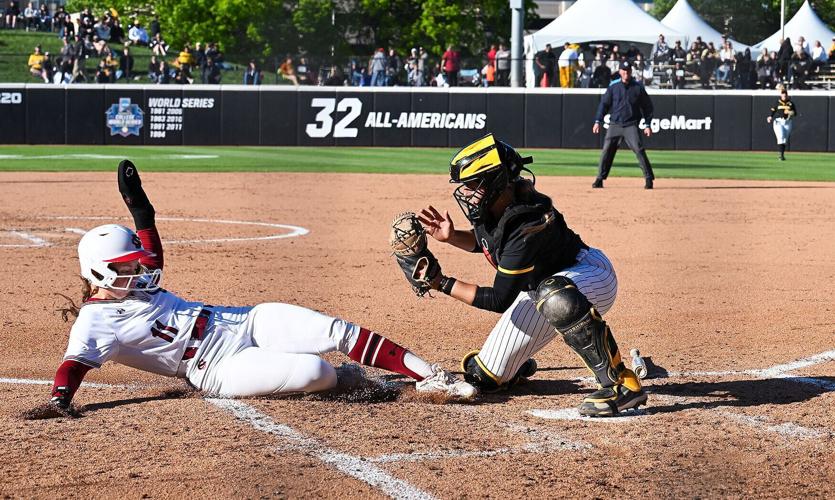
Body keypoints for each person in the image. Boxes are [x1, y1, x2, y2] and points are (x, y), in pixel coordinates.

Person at [44, 161, 476, 416]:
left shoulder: (133, 283)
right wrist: (60, 399)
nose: (141, 269)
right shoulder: (95, 321)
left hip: (240, 319)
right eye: (127, 266)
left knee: (336, 330)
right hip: (215, 368)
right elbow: (73, 366)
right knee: (317, 371)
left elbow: (149, 242)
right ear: (98, 273)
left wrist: (138, 205)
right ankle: (345, 379)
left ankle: (433, 378)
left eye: (135, 262)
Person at [414, 133, 646, 417]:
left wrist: (441, 282)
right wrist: (450, 238)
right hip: (543, 289)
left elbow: (500, 299)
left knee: (554, 295)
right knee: (483, 376)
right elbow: (487, 243)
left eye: (473, 186)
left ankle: (620, 384)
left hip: (588, 275)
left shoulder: (527, 221)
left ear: (497, 183)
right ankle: (518, 364)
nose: (466, 194)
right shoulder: (497, 209)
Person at [592, 61, 655, 189]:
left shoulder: (637, 87)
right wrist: (598, 121)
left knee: (639, 150)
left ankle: (649, 179)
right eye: (624, 71)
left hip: (631, 124)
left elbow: (648, 107)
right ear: (620, 72)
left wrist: (648, 124)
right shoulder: (613, 87)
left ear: (631, 72)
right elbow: (604, 105)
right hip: (615, 124)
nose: (626, 73)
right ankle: (600, 178)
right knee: (606, 151)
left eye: (628, 71)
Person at [767, 87, 797, 161]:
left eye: (785, 95)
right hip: (778, 121)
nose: (784, 96)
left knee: (784, 139)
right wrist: (770, 117)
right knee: (781, 136)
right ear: (781, 95)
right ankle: (780, 155)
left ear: (787, 95)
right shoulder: (777, 102)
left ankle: (782, 155)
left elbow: (795, 113)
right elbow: (773, 111)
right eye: (783, 95)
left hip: (787, 122)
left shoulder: (790, 103)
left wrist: (790, 112)